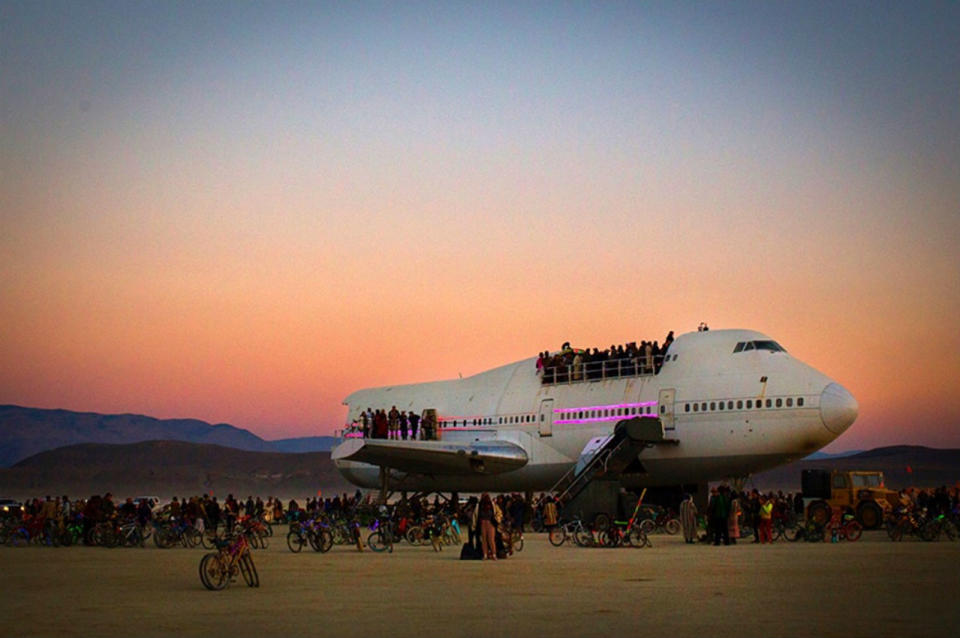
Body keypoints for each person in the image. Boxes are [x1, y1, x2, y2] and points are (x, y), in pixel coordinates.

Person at [478, 493, 497, 560]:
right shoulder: (482, 505)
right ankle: (490, 554)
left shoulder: (482, 505)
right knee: (488, 539)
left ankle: (490, 554)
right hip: (486, 522)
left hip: (487, 522)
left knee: (488, 539)